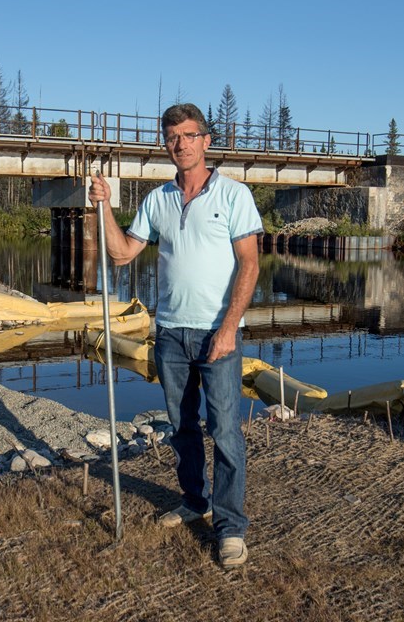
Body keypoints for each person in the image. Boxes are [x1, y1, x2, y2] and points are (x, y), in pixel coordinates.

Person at [89, 103, 262, 569]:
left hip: (216, 335)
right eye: (172, 137)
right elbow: (122, 254)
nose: (180, 144)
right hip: (170, 336)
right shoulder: (158, 200)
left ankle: (230, 528)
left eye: (189, 135)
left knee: (225, 432)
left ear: (206, 141)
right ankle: (194, 500)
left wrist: (229, 328)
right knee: (183, 429)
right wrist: (103, 206)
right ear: (165, 144)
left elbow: (250, 264)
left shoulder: (233, 196)